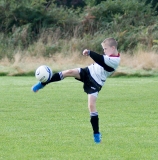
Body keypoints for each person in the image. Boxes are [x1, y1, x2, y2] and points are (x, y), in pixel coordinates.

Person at [32, 37, 120, 144]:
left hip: (96, 83)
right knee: (68, 72)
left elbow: (100, 59)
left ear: (113, 47)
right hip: (88, 71)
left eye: (105, 49)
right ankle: (42, 83)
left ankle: (96, 134)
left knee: (91, 106)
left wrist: (89, 52)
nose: (104, 51)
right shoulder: (109, 54)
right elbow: (101, 58)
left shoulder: (115, 60)